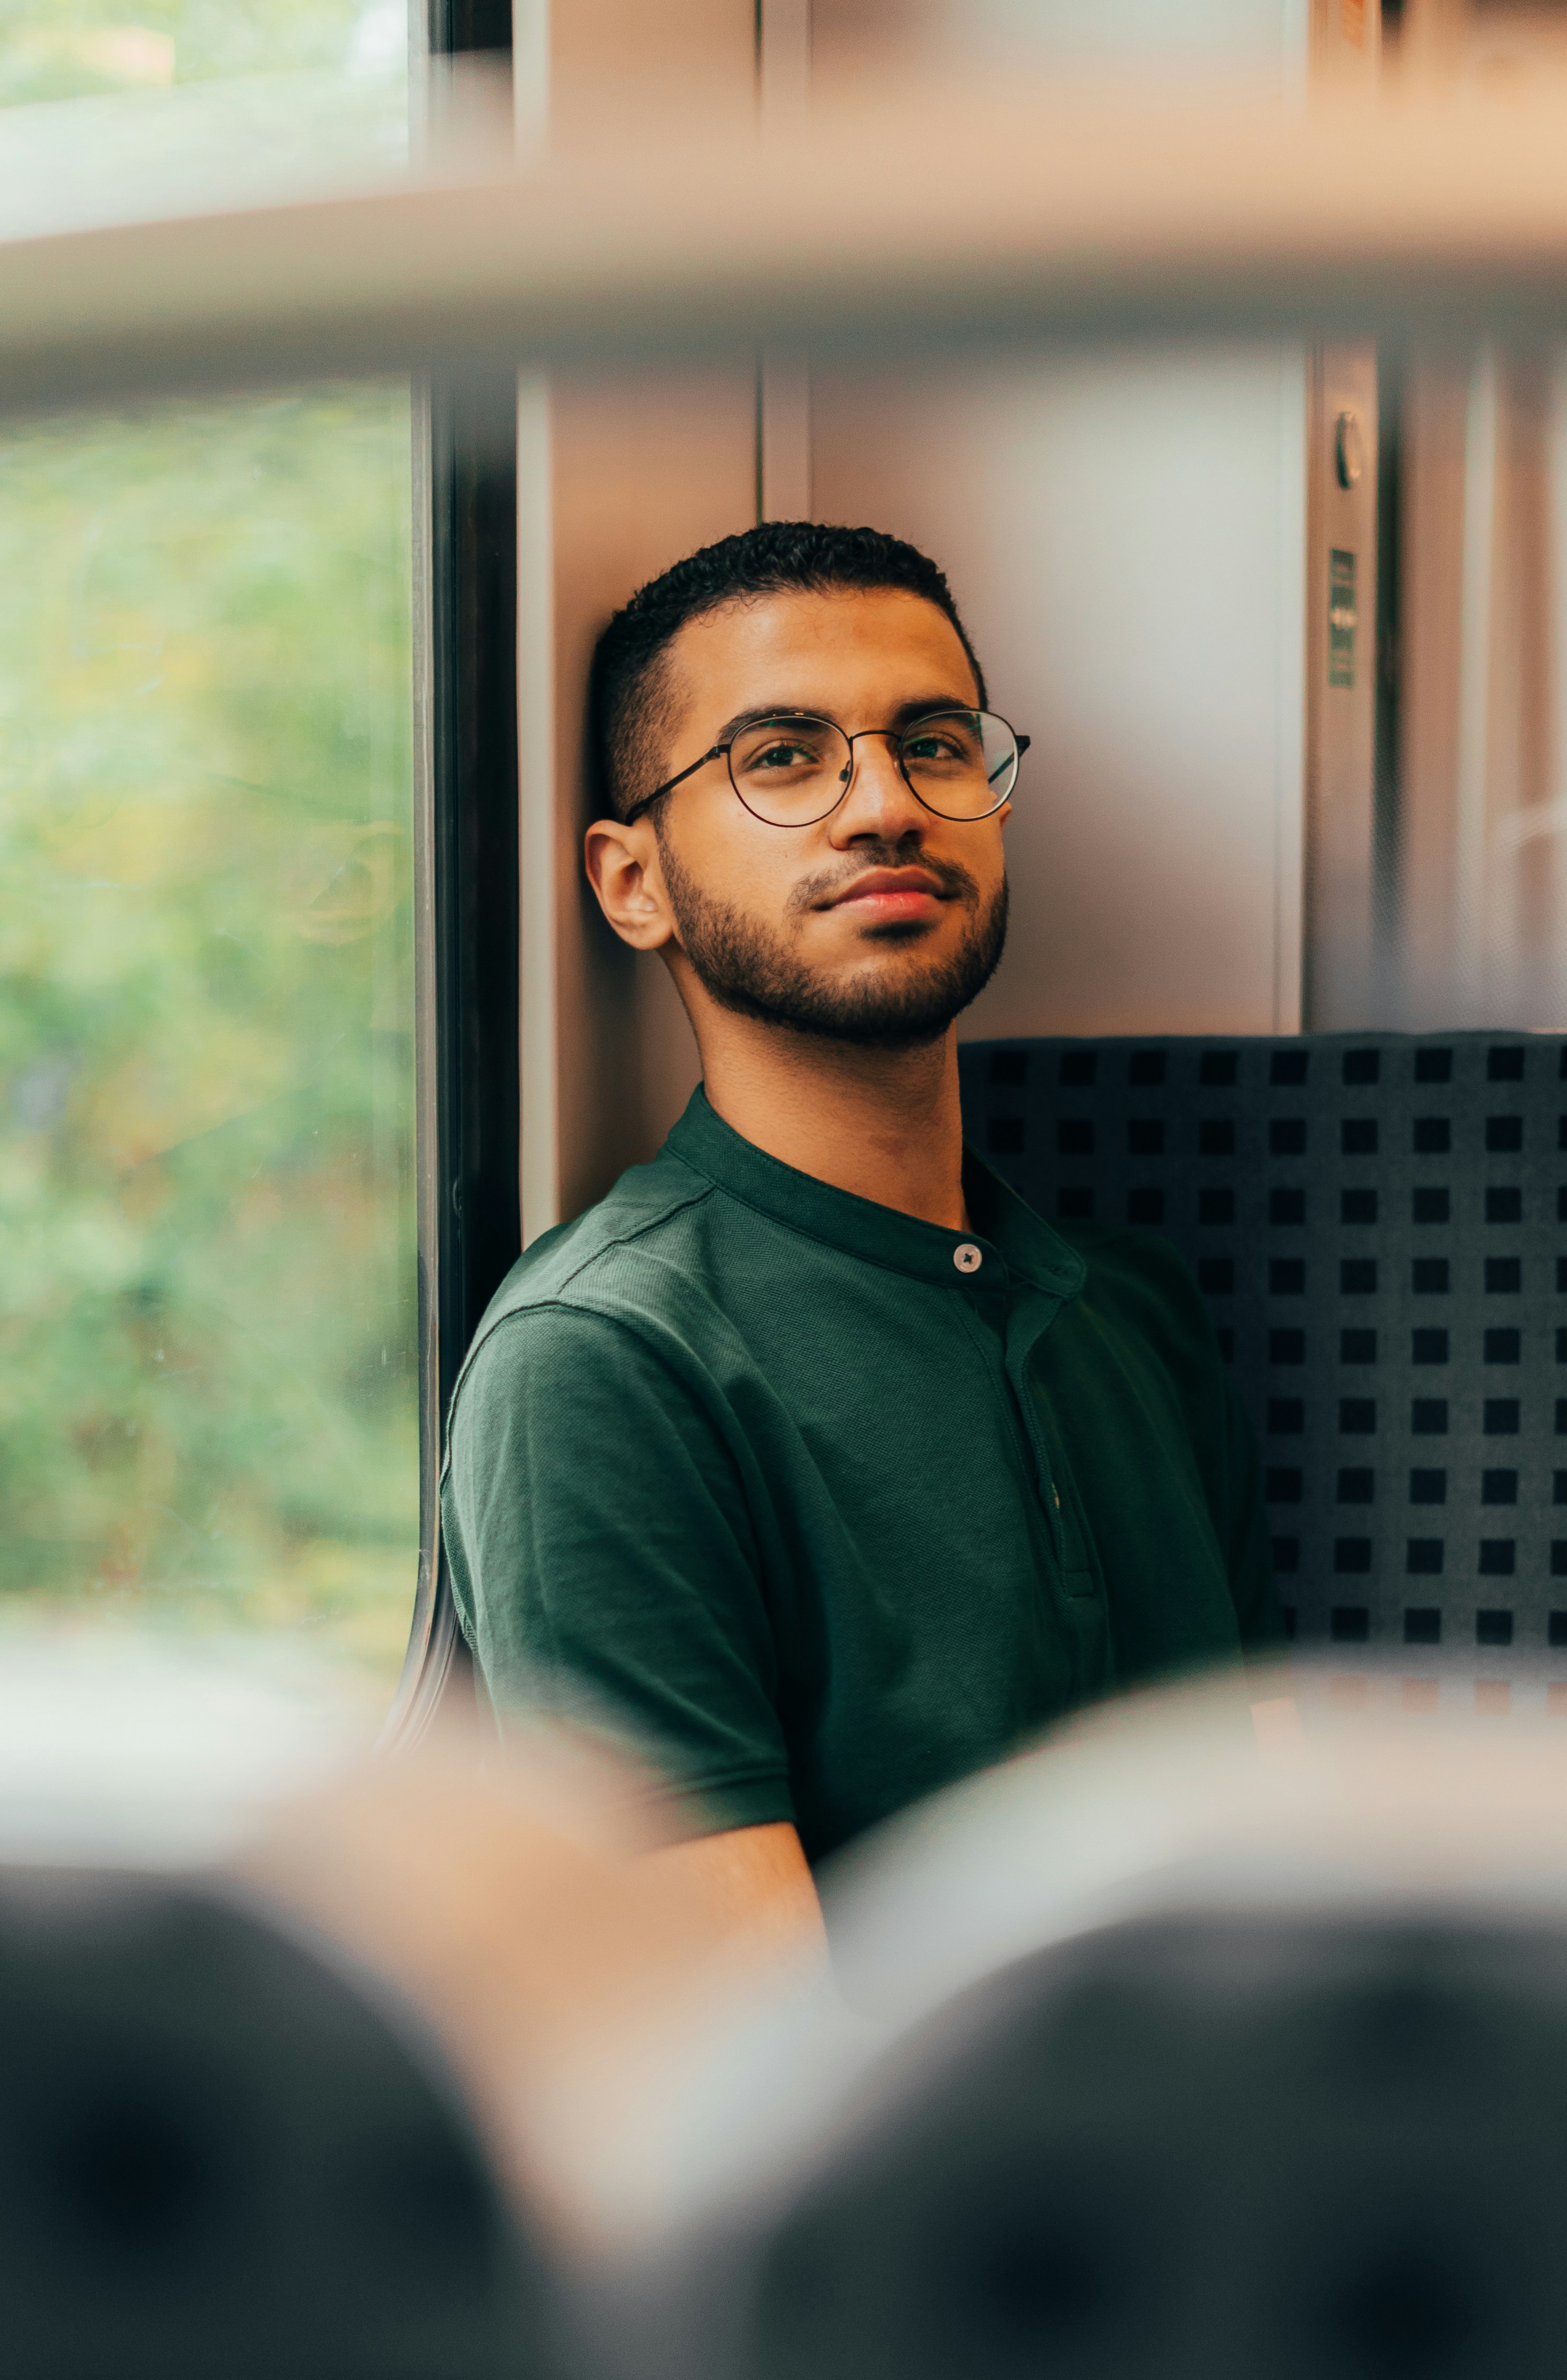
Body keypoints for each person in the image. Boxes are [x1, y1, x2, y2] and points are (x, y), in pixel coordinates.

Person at [441, 522, 1283, 1948]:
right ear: (630, 880)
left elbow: (1265, 1855)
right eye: (781, 756)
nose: (883, 804)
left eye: (935, 742)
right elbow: (744, 2045)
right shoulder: (605, 1362)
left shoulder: (1127, 1310)